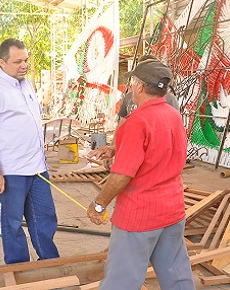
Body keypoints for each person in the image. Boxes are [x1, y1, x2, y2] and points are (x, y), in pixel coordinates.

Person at [87, 59, 195, 289]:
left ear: (138, 86)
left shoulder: (137, 122)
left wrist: (99, 203)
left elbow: (122, 175)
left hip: (140, 216)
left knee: (121, 281)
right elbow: (160, 147)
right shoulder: (173, 116)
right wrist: (118, 148)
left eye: (132, 82)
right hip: (172, 211)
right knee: (176, 274)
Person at [0, 38, 59, 264]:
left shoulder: (26, 84)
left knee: (45, 218)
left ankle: (50, 263)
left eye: (26, 60)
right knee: (12, 223)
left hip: (37, 169)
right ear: (2, 62)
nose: (24, 65)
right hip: (11, 170)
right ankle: (18, 269)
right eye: (17, 62)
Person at [88, 54, 179, 161]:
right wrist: (113, 148)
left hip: (151, 156)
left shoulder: (170, 101)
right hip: (131, 151)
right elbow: (121, 123)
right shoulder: (129, 97)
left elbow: (173, 133)